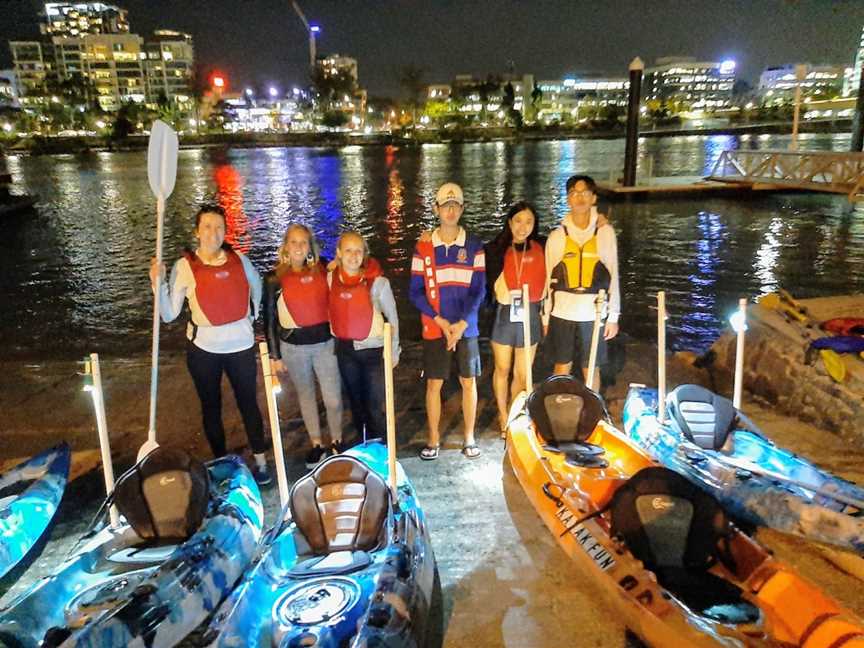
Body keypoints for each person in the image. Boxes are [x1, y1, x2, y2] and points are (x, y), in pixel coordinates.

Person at [149, 204, 271, 485]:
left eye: (219, 227)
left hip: (240, 346)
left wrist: (252, 314)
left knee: (249, 404)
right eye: (207, 226)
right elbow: (169, 314)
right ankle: (220, 463)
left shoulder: (240, 260)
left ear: (226, 231)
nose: (213, 233)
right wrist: (159, 285)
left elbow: (257, 287)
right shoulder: (184, 267)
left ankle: (261, 462)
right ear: (197, 231)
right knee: (211, 408)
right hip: (204, 351)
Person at [410, 182, 485, 460]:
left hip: (467, 328)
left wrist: (462, 324)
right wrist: (441, 321)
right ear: (436, 209)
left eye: (456, 205)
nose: (450, 210)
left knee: (469, 382)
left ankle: (469, 437)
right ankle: (433, 438)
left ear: (462, 209)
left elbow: (479, 289)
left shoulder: (475, 246)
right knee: (433, 384)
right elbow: (415, 292)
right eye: (445, 205)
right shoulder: (424, 247)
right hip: (435, 326)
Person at [263, 223, 344, 469]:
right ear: (286, 246)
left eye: (303, 242)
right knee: (306, 396)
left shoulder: (323, 267)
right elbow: (268, 318)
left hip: (325, 344)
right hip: (293, 347)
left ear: (310, 246)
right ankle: (317, 443)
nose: (299, 247)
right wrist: (274, 355)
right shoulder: (273, 278)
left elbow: (351, 266)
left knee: (333, 399)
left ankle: (337, 441)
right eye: (294, 242)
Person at [543, 175, 620, 388]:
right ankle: (558, 410)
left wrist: (613, 316)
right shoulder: (557, 236)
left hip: (593, 312)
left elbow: (613, 274)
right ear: (568, 199)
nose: (579, 198)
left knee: (591, 367)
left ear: (593, 198)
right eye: (574, 193)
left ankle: (592, 413)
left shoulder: (605, 232)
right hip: (561, 312)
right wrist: (545, 316)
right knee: (561, 366)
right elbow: (547, 279)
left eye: (584, 193)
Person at [328, 231, 400, 443]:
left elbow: (393, 319)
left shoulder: (379, 284)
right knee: (355, 403)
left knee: (374, 404)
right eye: (348, 250)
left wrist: (393, 351)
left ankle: (383, 446)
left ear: (364, 254)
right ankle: (364, 442)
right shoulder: (330, 277)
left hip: (373, 352)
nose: (353, 256)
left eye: (358, 251)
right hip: (345, 350)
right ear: (339, 253)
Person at [484, 201, 546, 436]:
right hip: (504, 314)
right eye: (518, 221)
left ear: (534, 224)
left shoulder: (542, 245)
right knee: (502, 368)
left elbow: (566, 238)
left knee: (522, 373)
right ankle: (501, 415)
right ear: (509, 222)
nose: (523, 227)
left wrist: (598, 223)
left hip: (530, 313)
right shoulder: (495, 249)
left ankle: (513, 413)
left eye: (529, 221)